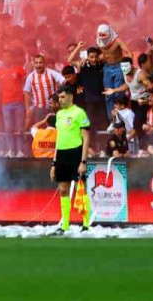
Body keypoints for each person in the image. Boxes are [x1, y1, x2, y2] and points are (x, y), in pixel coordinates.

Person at [50, 85, 90, 234]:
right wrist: (54, 163)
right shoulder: (59, 114)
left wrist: (83, 161)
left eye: (62, 97)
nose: (60, 100)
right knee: (62, 190)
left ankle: (85, 224)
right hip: (61, 155)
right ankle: (65, 225)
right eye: (59, 97)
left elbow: (86, 138)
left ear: (71, 96)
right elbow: (58, 139)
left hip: (76, 153)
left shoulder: (80, 113)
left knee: (82, 189)